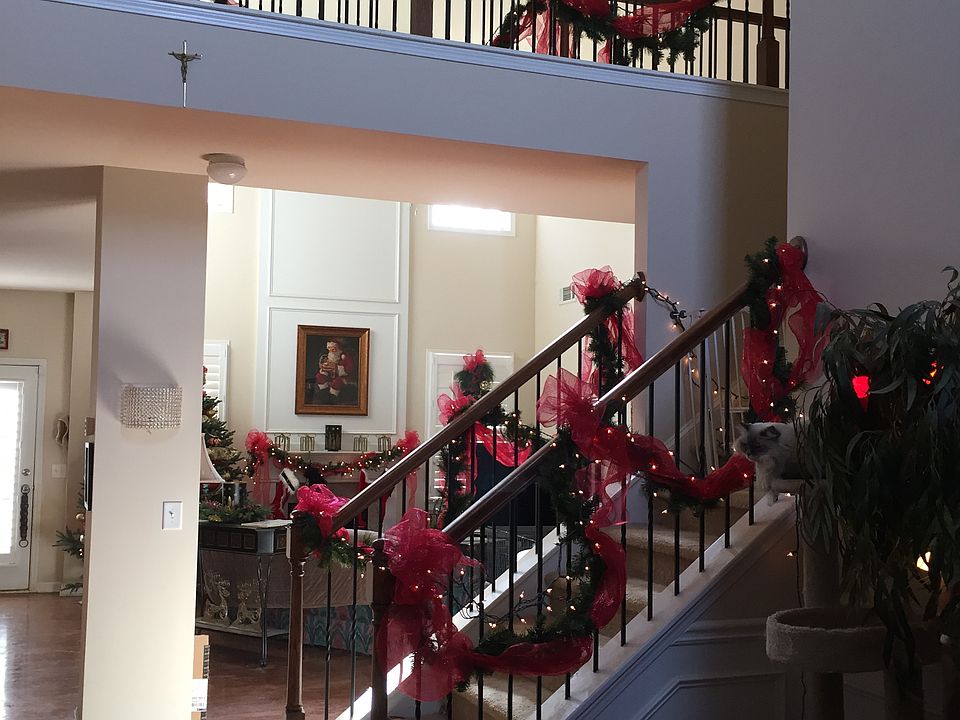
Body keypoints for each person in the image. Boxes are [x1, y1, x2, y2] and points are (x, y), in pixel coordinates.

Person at [315, 338, 355, 404]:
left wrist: (336, 368)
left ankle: (333, 397)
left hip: (344, 377)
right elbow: (326, 366)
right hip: (331, 375)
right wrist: (324, 368)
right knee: (319, 376)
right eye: (329, 349)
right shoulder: (329, 356)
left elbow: (350, 369)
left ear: (338, 349)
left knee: (337, 381)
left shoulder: (345, 356)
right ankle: (324, 394)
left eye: (333, 349)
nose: (331, 351)